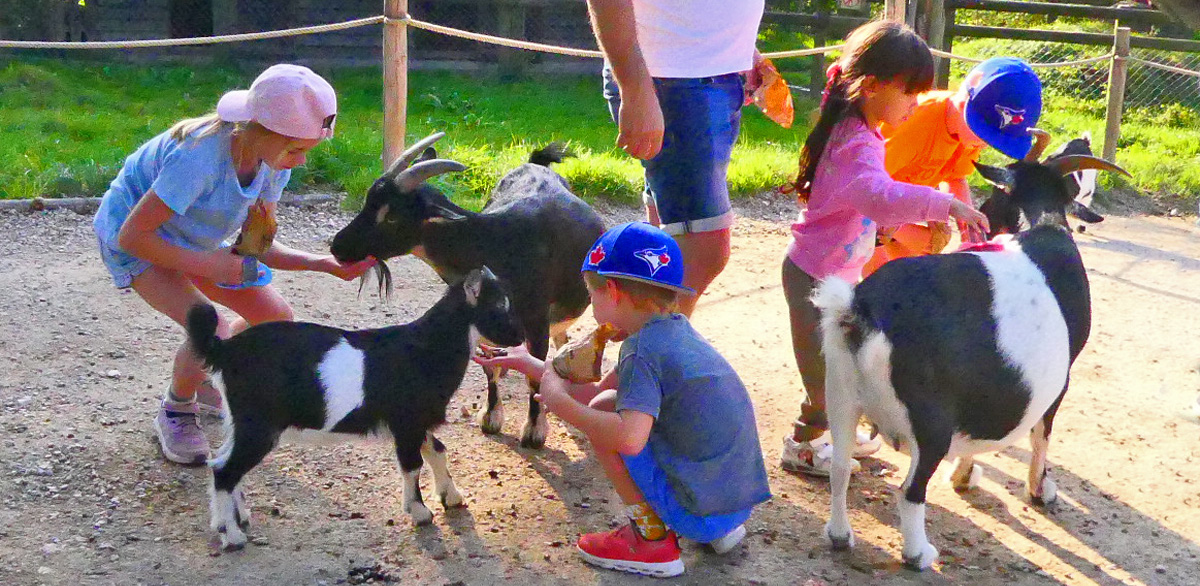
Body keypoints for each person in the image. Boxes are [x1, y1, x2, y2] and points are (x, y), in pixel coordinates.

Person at [92, 64, 376, 465]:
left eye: (307, 150)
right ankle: (177, 409)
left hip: (192, 239)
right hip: (136, 240)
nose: (300, 162)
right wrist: (209, 265)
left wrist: (323, 264)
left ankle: (209, 376)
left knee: (274, 317)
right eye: (295, 149)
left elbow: (256, 246)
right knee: (211, 326)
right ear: (259, 130)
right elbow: (133, 236)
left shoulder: (272, 163)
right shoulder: (199, 158)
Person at [475, 222, 771, 578]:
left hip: (700, 511)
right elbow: (599, 389)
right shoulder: (673, 332)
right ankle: (715, 530)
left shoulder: (641, 351)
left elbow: (625, 434)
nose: (591, 306)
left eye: (591, 295)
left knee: (604, 415)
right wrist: (533, 365)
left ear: (612, 291)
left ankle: (650, 541)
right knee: (609, 405)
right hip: (732, 507)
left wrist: (556, 401)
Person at [777, 21, 991, 477]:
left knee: (843, 363)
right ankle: (804, 444)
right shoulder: (858, 143)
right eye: (909, 94)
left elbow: (872, 204)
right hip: (815, 279)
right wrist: (945, 203)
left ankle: (831, 428)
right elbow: (880, 196)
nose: (916, 105)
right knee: (825, 375)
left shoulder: (860, 128)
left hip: (832, 273)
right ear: (871, 87)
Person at [587, 0, 765, 316]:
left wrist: (738, 46)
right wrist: (635, 88)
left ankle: (642, 350)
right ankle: (649, 352)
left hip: (709, 74)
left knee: (667, 243)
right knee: (703, 249)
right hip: (671, 81)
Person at [863, 56, 1043, 275]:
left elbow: (955, 177)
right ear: (962, 103)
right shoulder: (917, 122)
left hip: (894, 207)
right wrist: (901, 231)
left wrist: (968, 229)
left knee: (926, 254)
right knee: (885, 279)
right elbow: (866, 189)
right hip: (861, 210)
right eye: (983, 135)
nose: (985, 145)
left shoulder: (965, 133)